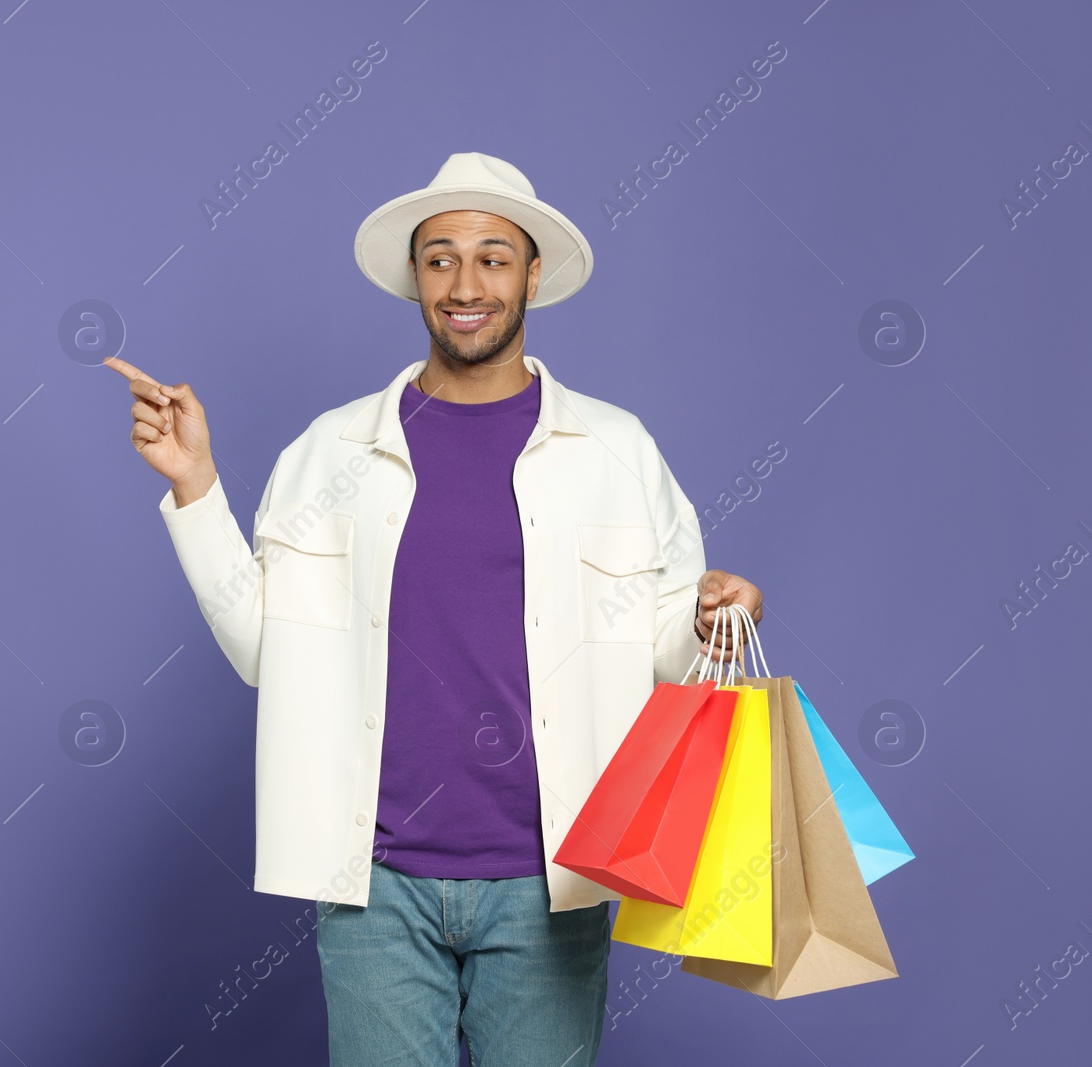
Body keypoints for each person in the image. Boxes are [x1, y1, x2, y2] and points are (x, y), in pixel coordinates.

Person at [107, 151, 763, 1066]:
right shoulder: (329, 449)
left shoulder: (616, 449)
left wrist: (707, 616)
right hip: (375, 885)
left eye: (493, 257)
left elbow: (664, 651)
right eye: (441, 257)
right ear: (415, 277)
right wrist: (195, 488)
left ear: (533, 276)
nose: (466, 284)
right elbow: (265, 648)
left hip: (552, 878)